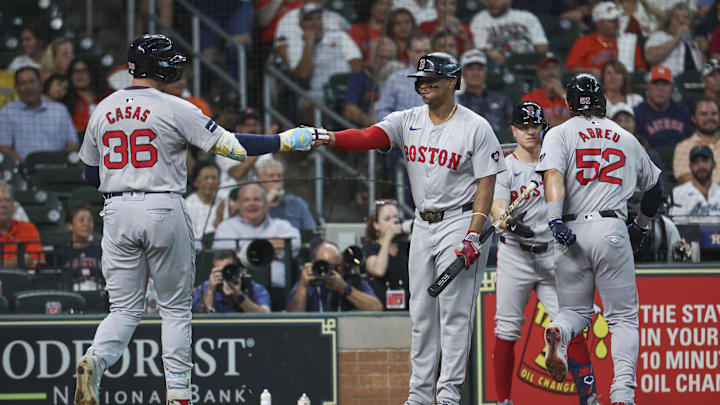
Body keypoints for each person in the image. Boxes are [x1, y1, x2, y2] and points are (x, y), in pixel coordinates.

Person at [73, 34, 317, 405]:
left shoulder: (103, 108)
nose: (176, 64)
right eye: (169, 59)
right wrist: (284, 140)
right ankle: (178, 395)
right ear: (156, 65)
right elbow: (233, 147)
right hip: (161, 205)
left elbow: (90, 176)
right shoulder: (175, 107)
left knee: (123, 309)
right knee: (173, 308)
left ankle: (96, 358)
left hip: (117, 210)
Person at [311, 52, 505, 405]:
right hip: (421, 222)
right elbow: (368, 135)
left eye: (432, 78)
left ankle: (446, 397)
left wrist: (475, 233)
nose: (423, 84)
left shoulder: (476, 126)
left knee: (455, 314)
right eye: (420, 79)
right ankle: (418, 396)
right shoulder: (408, 119)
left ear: (452, 82)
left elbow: (486, 187)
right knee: (421, 313)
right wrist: (328, 136)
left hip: (461, 220)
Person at [535, 73, 663, 405]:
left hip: (570, 230)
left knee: (575, 313)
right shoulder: (625, 136)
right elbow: (655, 190)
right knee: (622, 317)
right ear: (602, 99)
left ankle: (560, 332)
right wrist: (642, 225)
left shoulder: (559, 133)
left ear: (570, 102)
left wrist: (553, 218)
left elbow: (553, 176)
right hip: (611, 228)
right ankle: (621, 392)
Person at [491, 101, 599, 405]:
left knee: (571, 325)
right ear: (513, 128)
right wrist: (509, 222)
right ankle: (503, 400)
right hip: (515, 253)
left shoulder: (556, 163)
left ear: (543, 127)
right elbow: (496, 206)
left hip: (553, 252)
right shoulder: (505, 166)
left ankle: (588, 398)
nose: (528, 130)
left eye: (533, 125)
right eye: (522, 125)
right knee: (507, 329)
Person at [213, 183, 301, 311]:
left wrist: (247, 248)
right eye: (246, 200)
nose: (252, 204)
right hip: (236, 289)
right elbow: (225, 254)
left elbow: (295, 243)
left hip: (279, 291)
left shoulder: (282, 226)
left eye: (257, 199)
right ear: (238, 204)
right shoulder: (226, 228)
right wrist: (267, 249)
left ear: (266, 203)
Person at [277, 3, 363, 119]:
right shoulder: (299, 46)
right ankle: (319, 136)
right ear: (301, 25)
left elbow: (356, 64)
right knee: (307, 105)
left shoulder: (339, 37)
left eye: (318, 18)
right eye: (309, 19)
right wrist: (308, 45)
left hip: (346, 91)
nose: (315, 22)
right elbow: (302, 75)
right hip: (318, 94)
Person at [0, 66, 77, 162]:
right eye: (23, 83)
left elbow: (72, 143)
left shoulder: (60, 110)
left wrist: (60, 163)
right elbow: (4, 148)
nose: (28, 87)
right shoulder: (7, 112)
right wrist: (27, 168)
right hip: (23, 173)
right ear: (16, 88)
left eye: (32, 82)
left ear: (40, 85)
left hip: (58, 170)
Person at [288, 241, 382, 312]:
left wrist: (345, 289)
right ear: (315, 265)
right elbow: (293, 320)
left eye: (340, 266)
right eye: (328, 266)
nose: (336, 271)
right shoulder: (309, 284)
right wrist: (303, 286)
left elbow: (377, 308)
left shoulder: (352, 281)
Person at [566, 1, 646, 77]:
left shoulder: (628, 42)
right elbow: (572, 68)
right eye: (610, 21)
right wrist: (589, 71)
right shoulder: (584, 42)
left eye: (616, 20)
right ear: (598, 23)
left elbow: (641, 69)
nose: (616, 23)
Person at [362, 199, 410, 310]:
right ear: (376, 224)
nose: (394, 222)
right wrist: (388, 238)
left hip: (408, 311)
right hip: (382, 312)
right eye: (387, 219)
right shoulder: (370, 248)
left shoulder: (406, 247)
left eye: (396, 217)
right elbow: (379, 270)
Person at [469, 0, 548, 64]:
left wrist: (535, 61)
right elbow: (482, 50)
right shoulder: (479, 19)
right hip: (500, 66)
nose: (492, 2)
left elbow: (542, 45)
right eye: (489, 0)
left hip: (531, 64)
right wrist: (509, 63)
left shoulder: (527, 17)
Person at [191, 250, 271, 313]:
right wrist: (210, 292)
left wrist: (239, 296)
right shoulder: (205, 288)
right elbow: (200, 318)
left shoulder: (254, 288)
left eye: (229, 270)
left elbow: (265, 315)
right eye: (220, 271)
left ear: (240, 270)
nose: (225, 274)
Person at [634, 65, 693, 149]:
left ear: (672, 89)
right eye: (656, 84)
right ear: (648, 87)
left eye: (665, 84)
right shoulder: (638, 113)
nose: (660, 88)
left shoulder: (682, 112)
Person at [376, 32, 430, 121]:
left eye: (426, 51)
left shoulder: (442, 79)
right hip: (402, 131)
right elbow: (382, 111)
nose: (423, 55)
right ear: (409, 53)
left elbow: (454, 110)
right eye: (418, 51)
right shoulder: (395, 79)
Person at [344, 36, 397, 127]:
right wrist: (370, 121)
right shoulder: (359, 78)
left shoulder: (398, 80)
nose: (385, 62)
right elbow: (349, 110)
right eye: (381, 57)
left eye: (389, 58)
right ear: (372, 56)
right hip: (367, 129)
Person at [457, 49, 512, 133]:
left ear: (485, 72)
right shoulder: (456, 102)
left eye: (479, 69)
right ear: (463, 73)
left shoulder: (502, 100)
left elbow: (513, 130)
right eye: (470, 69)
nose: (475, 72)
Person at [644, 4, 704, 78]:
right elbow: (650, 57)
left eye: (686, 17)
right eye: (676, 17)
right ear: (670, 22)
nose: (681, 21)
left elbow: (702, 69)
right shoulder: (660, 35)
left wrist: (703, 51)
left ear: (690, 23)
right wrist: (676, 38)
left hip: (693, 82)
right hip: (665, 82)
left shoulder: (695, 43)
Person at [257, 158, 317, 229]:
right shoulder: (254, 204)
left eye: (279, 176)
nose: (276, 179)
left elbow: (313, 232)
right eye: (271, 176)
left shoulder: (297, 203)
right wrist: (267, 202)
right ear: (260, 181)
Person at [57, 203, 103, 291]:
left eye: (89, 221)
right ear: (70, 226)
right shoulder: (61, 252)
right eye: (81, 220)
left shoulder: (101, 250)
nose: (86, 224)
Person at [673, 97, 720, 183]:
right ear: (693, 118)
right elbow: (684, 177)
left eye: (714, 113)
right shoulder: (683, 147)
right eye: (704, 114)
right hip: (698, 195)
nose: (710, 118)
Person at [670, 145, 720, 223]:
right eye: (695, 162)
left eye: (705, 160)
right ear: (690, 166)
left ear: (714, 164)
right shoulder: (678, 193)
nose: (700, 166)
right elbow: (677, 227)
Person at [184, 160, 230, 244]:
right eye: (206, 178)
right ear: (196, 182)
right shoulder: (187, 206)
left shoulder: (226, 203)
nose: (210, 182)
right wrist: (217, 224)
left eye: (214, 178)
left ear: (219, 182)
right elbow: (193, 239)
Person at [0, 181, 43, 268]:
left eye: (7, 200)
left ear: (13, 206)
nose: (3, 205)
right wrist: (19, 260)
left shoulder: (27, 228)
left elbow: (38, 262)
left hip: (21, 281)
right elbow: (27, 261)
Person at [521, 53, 570, 127]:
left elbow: (583, 119)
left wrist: (562, 94)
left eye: (554, 67)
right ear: (539, 72)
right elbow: (540, 125)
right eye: (546, 67)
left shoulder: (571, 97)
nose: (551, 71)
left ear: (560, 71)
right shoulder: (529, 98)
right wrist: (571, 122)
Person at [64, 58, 112, 131]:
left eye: (84, 70)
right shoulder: (66, 102)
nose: (79, 75)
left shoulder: (108, 98)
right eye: (75, 71)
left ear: (92, 73)